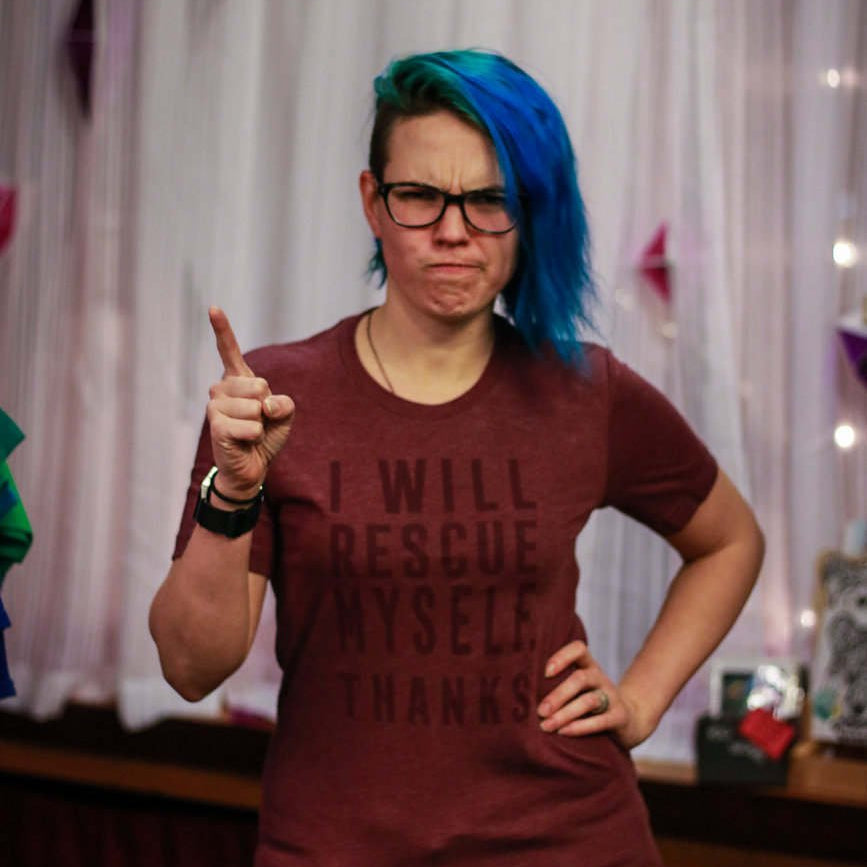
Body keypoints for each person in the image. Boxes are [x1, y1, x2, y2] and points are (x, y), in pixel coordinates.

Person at [150, 49, 764, 867]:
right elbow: (193, 667)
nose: (453, 230)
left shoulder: (586, 390)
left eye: (487, 201)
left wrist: (643, 696)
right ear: (373, 202)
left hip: (569, 840)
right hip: (336, 845)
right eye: (420, 196)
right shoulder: (270, 398)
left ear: (527, 213)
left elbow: (729, 541)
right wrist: (233, 489)